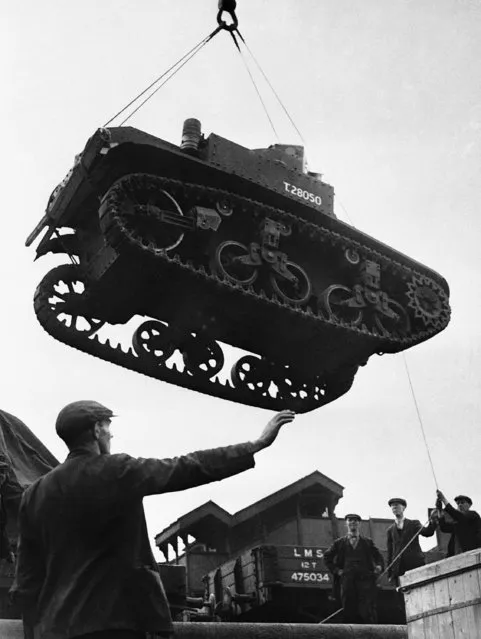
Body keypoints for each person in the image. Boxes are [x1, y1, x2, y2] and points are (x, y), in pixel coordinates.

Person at [10, 400, 296, 639]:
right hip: (115, 622)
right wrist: (255, 445)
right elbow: (186, 466)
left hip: (56, 628)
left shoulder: (34, 494)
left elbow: (27, 580)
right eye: (109, 429)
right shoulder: (116, 470)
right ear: (97, 429)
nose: (111, 436)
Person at [324, 513, 384, 624]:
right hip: (347, 582)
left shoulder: (367, 542)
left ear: (359, 524)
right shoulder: (339, 543)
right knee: (348, 610)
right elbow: (327, 557)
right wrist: (337, 571)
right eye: (350, 520)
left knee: (366, 611)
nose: (353, 523)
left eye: (356, 521)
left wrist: (379, 566)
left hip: (365, 582)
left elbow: (378, 556)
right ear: (346, 524)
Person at [386, 497, 437, 584]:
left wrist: (433, 520)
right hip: (399, 569)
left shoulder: (414, 524)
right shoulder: (390, 530)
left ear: (403, 508)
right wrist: (390, 574)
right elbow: (390, 553)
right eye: (392, 506)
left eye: (397, 505)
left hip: (415, 565)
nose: (394, 507)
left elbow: (427, 532)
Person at [436, 490, 481, 557]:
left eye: (462, 502)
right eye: (458, 503)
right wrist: (439, 510)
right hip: (458, 556)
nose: (459, 505)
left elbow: (459, 516)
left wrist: (443, 499)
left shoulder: (473, 515)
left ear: (469, 505)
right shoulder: (458, 523)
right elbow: (444, 527)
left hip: (473, 554)